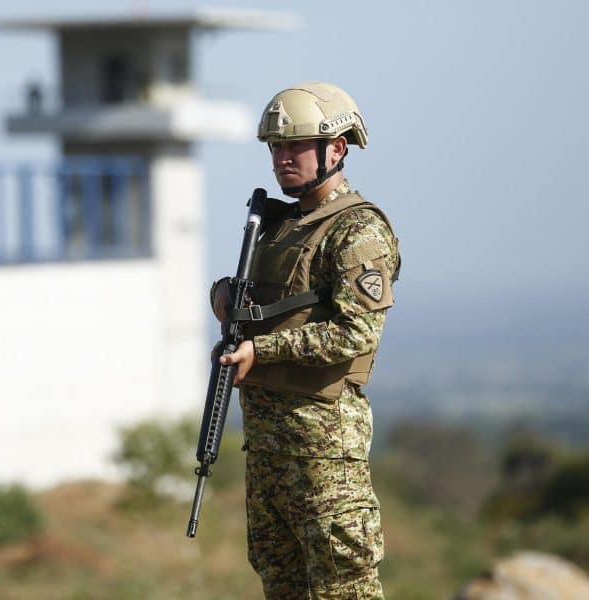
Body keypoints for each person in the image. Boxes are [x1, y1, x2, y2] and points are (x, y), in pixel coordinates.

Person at [211, 81, 400, 599]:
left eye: (295, 146)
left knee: (344, 589)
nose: (282, 158)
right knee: (282, 586)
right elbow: (257, 303)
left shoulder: (357, 231)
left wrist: (261, 350)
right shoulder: (276, 227)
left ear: (335, 149)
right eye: (276, 147)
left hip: (324, 456)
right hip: (269, 453)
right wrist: (223, 297)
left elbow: (356, 332)